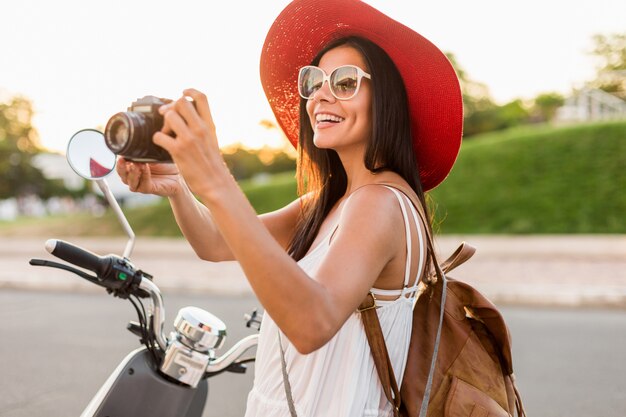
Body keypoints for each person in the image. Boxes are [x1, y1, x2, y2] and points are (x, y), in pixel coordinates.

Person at [116, 0, 462, 415]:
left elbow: (311, 323)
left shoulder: (382, 202)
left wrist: (215, 177)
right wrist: (179, 189)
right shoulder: (331, 202)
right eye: (314, 81)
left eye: (346, 82)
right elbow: (214, 242)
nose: (321, 95)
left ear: (386, 98)